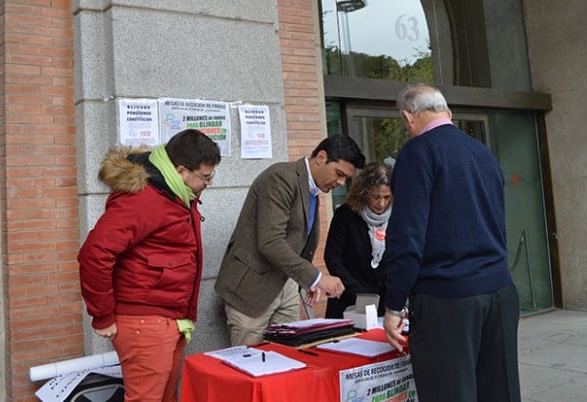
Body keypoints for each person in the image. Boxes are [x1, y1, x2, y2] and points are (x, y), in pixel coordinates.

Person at [381, 84, 521, 402]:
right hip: (499, 290)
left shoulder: (417, 153)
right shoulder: (482, 152)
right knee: (501, 392)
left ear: (408, 116)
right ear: (448, 112)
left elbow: (407, 236)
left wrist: (394, 303)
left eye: (405, 124)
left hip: (448, 297)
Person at [78, 129, 221, 402]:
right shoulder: (145, 199)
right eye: (205, 177)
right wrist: (103, 315)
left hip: (169, 318)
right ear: (180, 170)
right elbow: (94, 253)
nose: (209, 183)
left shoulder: (175, 193)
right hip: (145, 322)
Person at [215, 134, 366, 345]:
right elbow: (270, 241)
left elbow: (295, 240)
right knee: (248, 364)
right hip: (252, 288)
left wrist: (306, 280)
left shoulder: (312, 188)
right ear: (321, 157)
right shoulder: (281, 177)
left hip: (286, 285)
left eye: (345, 179)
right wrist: (316, 278)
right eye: (339, 174)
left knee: (288, 358)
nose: (341, 183)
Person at [323, 161, 392, 318]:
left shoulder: (399, 217)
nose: (381, 203)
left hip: (386, 304)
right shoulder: (345, 215)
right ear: (364, 192)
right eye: (376, 197)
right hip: (349, 303)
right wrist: (359, 294)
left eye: (387, 197)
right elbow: (332, 258)